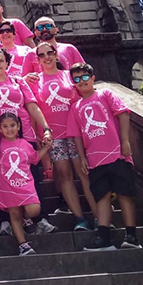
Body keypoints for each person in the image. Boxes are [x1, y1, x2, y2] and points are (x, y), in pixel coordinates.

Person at [0, 48, 56, 236]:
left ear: (8, 63)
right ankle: (5, 220)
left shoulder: (19, 82)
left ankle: (39, 218)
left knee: (31, 178)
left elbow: (32, 106)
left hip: (24, 136)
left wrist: (45, 127)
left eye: (2, 60)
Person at [67, 63, 140, 251]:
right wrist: (82, 157)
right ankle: (104, 237)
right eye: (76, 79)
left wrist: (125, 141)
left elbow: (122, 114)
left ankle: (131, 235)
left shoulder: (105, 94)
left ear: (92, 78)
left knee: (125, 194)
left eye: (84, 77)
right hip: (94, 158)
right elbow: (76, 135)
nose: (81, 81)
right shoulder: (76, 107)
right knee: (101, 197)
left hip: (116, 153)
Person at [26, 44, 95, 230]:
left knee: (84, 173)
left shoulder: (69, 76)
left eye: (50, 53)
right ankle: (80, 218)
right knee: (64, 175)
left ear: (56, 54)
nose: (46, 57)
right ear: (37, 59)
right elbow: (33, 109)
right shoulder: (34, 81)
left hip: (76, 133)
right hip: (52, 135)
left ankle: (98, 215)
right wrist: (37, 135)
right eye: (41, 55)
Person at [0, 112, 51, 256]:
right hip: (8, 187)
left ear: (19, 126)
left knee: (34, 210)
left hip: (26, 185)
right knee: (14, 214)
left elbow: (35, 158)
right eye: (5, 126)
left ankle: (25, 219)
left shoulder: (24, 144)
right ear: (0, 129)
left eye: (12, 125)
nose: (9, 129)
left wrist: (46, 148)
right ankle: (23, 245)